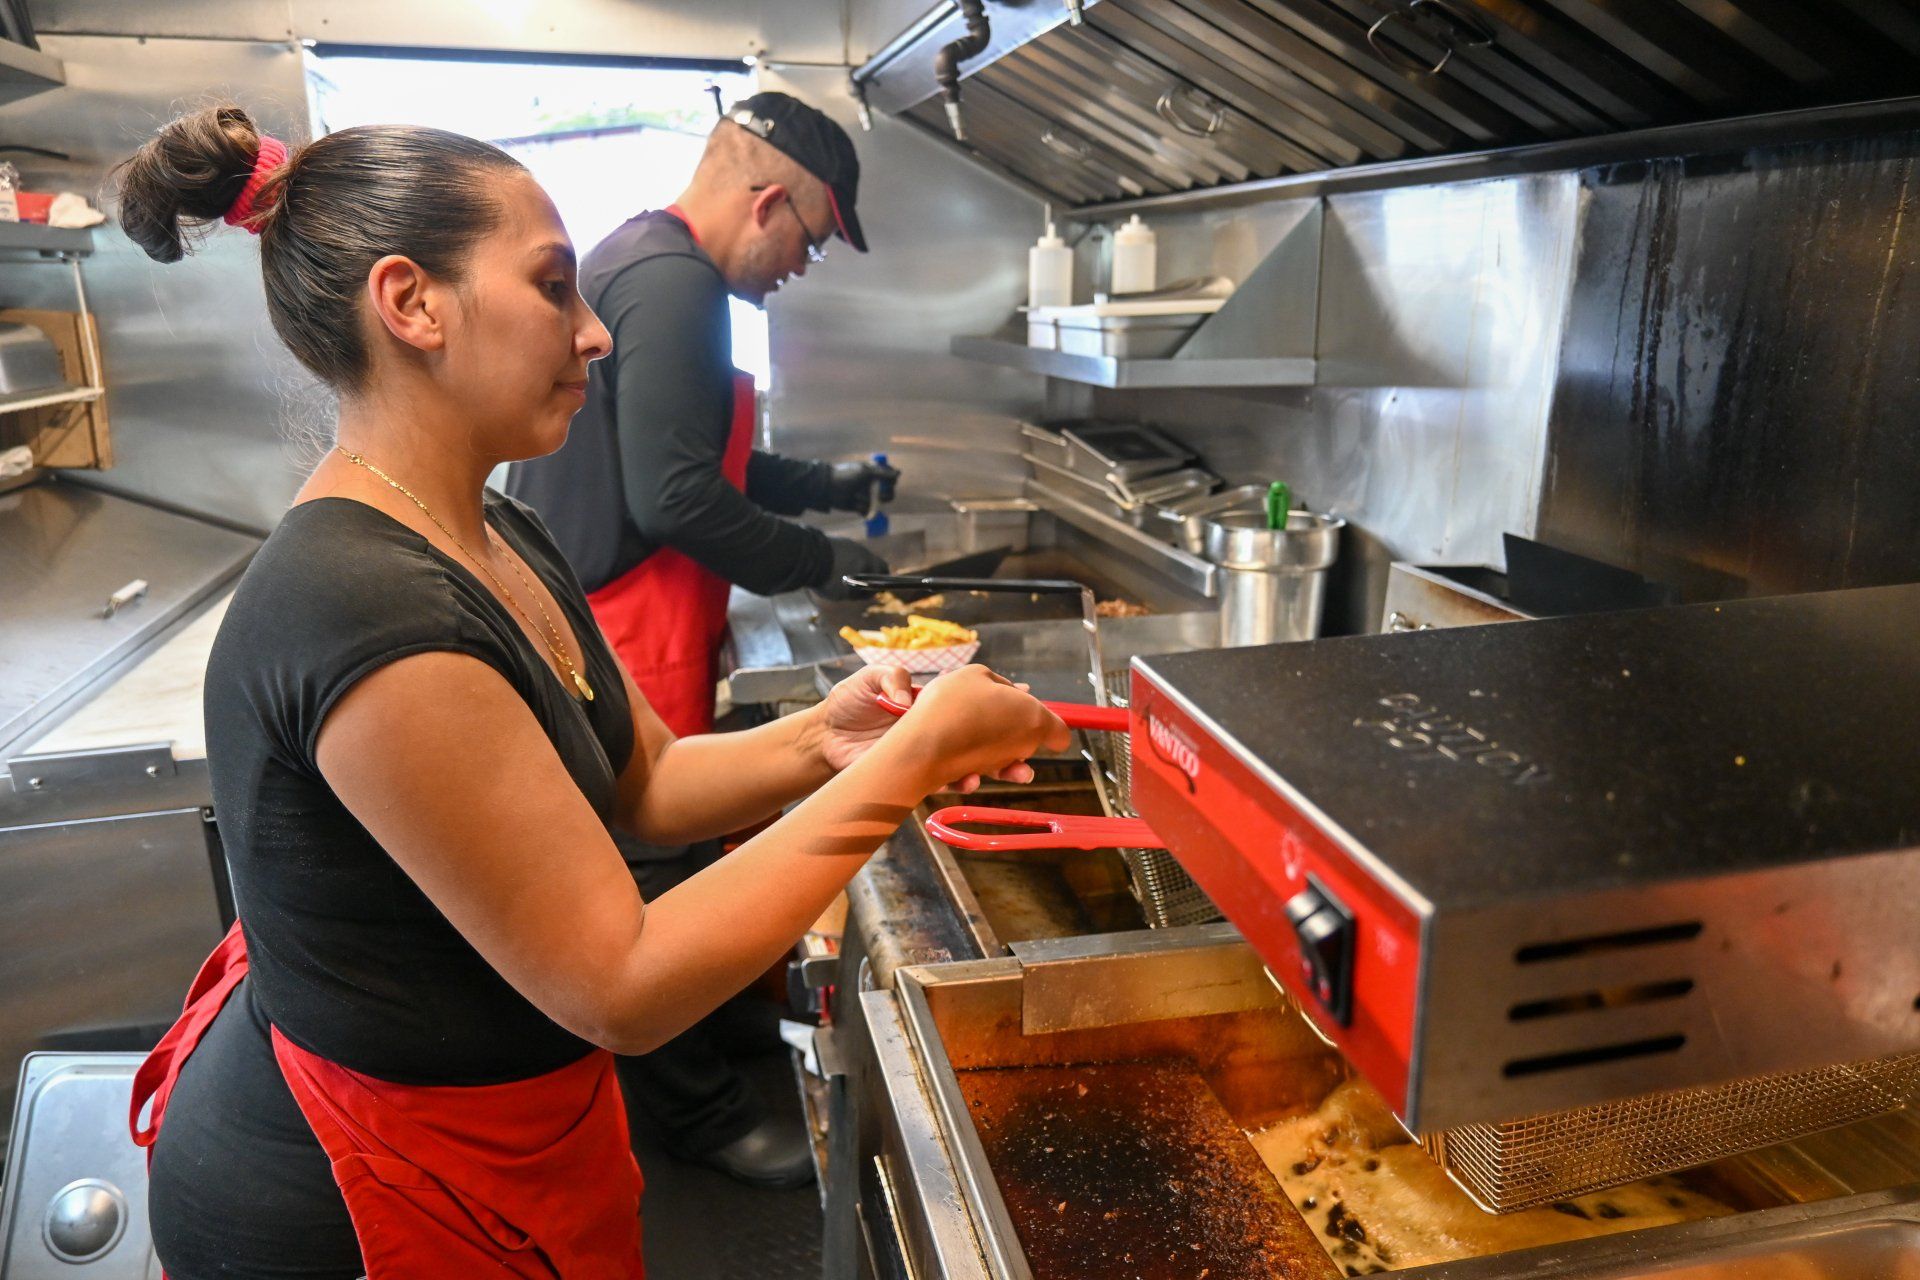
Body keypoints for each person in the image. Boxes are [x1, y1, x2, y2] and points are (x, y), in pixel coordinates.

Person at [114, 106, 1067, 1280]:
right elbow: (619, 981)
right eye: (555, 286)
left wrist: (832, 731)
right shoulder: (362, 606)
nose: (595, 332)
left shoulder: (493, 525)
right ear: (412, 304)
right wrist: (910, 765)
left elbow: (648, 778)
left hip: (508, 1131)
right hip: (357, 1197)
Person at [504, 91, 898, 1186]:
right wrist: (824, 562)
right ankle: (699, 1118)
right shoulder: (676, 287)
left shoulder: (650, 261)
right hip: (628, 619)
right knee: (651, 876)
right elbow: (677, 493)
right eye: (809, 240)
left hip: (642, 613)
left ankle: (712, 1041)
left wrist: (826, 488)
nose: (801, 266)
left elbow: (694, 453)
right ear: (768, 199)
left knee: (666, 852)